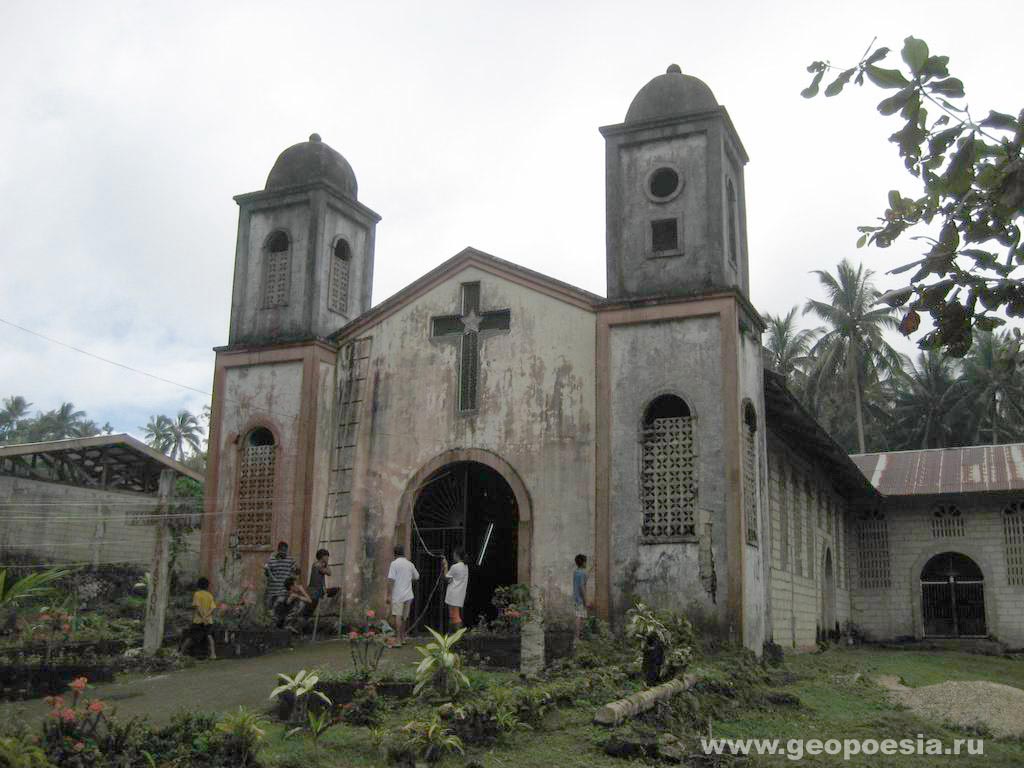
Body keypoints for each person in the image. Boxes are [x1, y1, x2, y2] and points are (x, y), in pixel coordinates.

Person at [386, 545, 419, 646]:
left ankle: (398, 640)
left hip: (398, 594)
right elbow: (417, 577)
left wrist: (389, 594)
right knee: (405, 617)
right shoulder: (410, 564)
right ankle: (403, 638)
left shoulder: (394, 564)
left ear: (395, 554)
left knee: (398, 617)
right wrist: (408, 579)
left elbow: (391, 579)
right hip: (408, 594)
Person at [181, 577, 217, 660]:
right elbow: (212, 608)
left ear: (198, 585)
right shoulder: (209, 595)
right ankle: (213, 654)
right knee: (209, 636)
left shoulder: (197, 594)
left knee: (191, 637)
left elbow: (197, 607)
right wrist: (206, 616)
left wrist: (202, 617)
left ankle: (180, 653)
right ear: (207, 586)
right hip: (208, 621)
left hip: (198, 620)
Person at [442, 547, 469, 632]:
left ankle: (458, 638)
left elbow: (447, 578)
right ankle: (452, 637)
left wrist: (445, 566)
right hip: (459, 595)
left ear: (457, 556)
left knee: (455, 617)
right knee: (453, 616)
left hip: (453, 595)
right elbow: (452, 579)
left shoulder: (455, 566)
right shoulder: (465, 567)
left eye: (454, 554)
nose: (453, 556)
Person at [264, 541, 296, 609]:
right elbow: (267, 575)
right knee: (270, 610)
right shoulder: (271, 560)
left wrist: (296, 571)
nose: (284, 553)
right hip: (272, 591)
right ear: (278, 550)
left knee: (280, 610)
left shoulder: (290, 560)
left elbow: (295, 572)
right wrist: (267, 570)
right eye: (283, 551)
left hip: (283, 592)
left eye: (285, 551)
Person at [573, 553, 589, 642]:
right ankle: (577, 637)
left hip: (576, 598)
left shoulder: (576, 572)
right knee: (579, 617)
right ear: (583, 563)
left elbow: (578, 583)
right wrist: (585, 600)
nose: (586, 563)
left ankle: (579, 636)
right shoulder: (582, 573)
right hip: (580, 599)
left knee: (580, 616)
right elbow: (582, 587)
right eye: (586, 562)